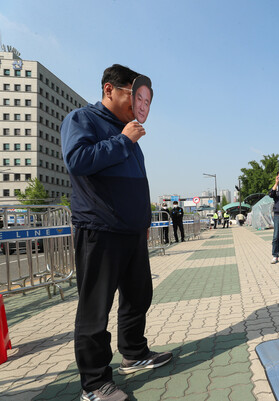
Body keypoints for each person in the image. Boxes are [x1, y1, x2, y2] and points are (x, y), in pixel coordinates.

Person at [61, 64, 172, 401]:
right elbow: (77, 160)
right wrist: (123, 142)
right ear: (109, 90)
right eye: (133, 95)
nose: (138, 104)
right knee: (96, 308)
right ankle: (94, 384)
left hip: (132, 231)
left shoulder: (128, 130)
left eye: (144, 99)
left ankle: (134, 354)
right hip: (99, 228)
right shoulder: (83, 120)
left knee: (139, 296)